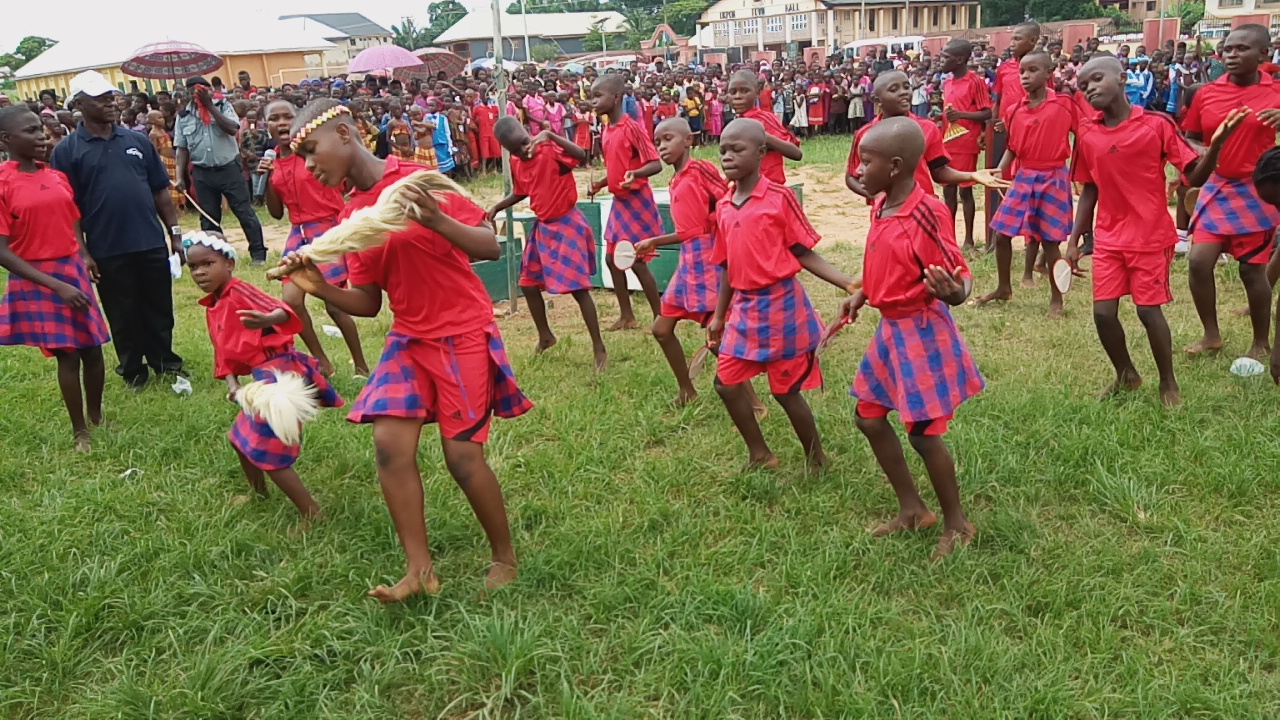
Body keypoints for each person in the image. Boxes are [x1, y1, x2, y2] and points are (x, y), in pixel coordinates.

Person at [276, 99, 531, 602]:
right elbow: (368, 303)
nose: (306, 166)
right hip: (409, 339)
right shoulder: (352, 216)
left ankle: (504, 556)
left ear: (345, 134)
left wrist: (435, 220)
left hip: (461, 332)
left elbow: (488, 246)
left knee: (463, 459)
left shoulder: (416, 181)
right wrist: (318, 286)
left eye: (310, 150)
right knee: (390, 446)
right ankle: (419, 571)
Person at [841, 116, 983, 560]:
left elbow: (959, 273)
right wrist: (864, 292)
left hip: (920, 330)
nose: (858, 170)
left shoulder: (926, 211)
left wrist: (956, 292)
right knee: (868, 416)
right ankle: (912, 509)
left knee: (922, 433)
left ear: (896, 166)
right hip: (890, 329)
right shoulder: (882, 204)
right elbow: (886, 258)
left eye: (867, 162)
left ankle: (957, 523)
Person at [1066, 56, 1240, 409]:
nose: (1090, 89)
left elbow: (1194, 174)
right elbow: (1089, 188)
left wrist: (1216, 147)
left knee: (1148, 312)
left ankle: (1168, 381)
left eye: (1097, 79)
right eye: (1083, 86)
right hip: (1109, 237)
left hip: (1149, 236)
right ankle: (1126, 374)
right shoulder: (1086, 133)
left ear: (1122, 78)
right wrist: (1073, 240)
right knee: (1103, 314)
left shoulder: (1156, 125)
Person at [709, 119, 859, 471]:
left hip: (782, 308)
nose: (728, 157)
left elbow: (803, 252)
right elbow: (727, 264)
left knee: (785, 391)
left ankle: (816, 458)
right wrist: (718, 315)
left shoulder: (779, 198)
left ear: (761, 152)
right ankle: (760, 454)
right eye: (723, 150)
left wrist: (848, 283)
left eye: (737, 149)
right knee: (726, 383)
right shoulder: (724, 206)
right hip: (744, 309)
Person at [186, 231, 341, 522]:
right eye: (193, 267)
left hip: (280, 374)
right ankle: (259, 495)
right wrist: (232, 383)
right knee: (239, 439)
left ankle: (313, 514)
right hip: (262, 377)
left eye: (207, 264)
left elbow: (284, 311)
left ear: (229, 264)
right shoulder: (214, 305)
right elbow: (221, 351)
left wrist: (269, 319)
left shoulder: (240, 291)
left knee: (267, 449)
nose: (199, 272)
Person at [52, 71, 186, 392]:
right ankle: (133, 370)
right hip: (107, 247)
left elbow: (160, 192)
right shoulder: (67, 151)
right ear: (79, 105)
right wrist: (83, 252)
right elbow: (68, 208)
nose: (110, 103)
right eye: (100, 99)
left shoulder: (136, 141)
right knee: (122, 312)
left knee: (159, 307)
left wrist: (175, 234)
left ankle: (165, 363)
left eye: (111, 97)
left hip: (149, 241)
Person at [0, 105, 110, 452]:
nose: (41, 136)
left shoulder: (56, 176)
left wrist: (83, 254)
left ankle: (97, 416)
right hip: (40, 276)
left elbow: (71, 217)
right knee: (68, 353)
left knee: (93, 347)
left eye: (41, 129)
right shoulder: (3, 183)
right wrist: (57, 286)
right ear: (6, 139)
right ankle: (80, 432)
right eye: (31, 131)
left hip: (71, 268)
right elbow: (2, 251)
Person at [1182, 25, 1280, 360]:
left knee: (1251, 270)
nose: (1231, 55)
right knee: (1198, 262)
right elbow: (1191, 136)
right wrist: (1208, 151)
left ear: (1263, 54)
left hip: (1258, 189)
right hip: (1218, 185)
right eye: (1227, 49)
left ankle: (1260, 341)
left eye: (1241, 49)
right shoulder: (1208, 93)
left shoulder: (1275, 92)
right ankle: (1211, 335)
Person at [486, 116, 608, 371]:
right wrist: (498, 206)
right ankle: (545, 335)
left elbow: (580, 156)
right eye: (516, 150)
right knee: (528, 284)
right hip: (543, 227)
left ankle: (599, 346)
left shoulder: (549, 149)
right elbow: (521, 191)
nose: (524, 150)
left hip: (567, 224)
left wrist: (550, 135)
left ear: (528, 133)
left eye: (524, 142)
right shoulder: (517, 162)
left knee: (579, 289)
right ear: (508, 151)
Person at [258, 100, 369, 378]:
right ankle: (322, 362)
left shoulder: (314, 153)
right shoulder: (273, 161)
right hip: (299, 233)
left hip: (328, 227)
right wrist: (268, 179)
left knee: (335, 305)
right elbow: (275, 213)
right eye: (274, 118)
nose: (282, 123)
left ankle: (361, 366)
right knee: (292, 300)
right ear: (266, 125)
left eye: (287, 117)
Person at [637, 118, 729, 405]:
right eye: (657, 143)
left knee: (715, 337)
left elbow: (726, 201)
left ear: (688, 140)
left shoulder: (699, 170)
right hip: (688, 262)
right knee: (661, 329)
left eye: (668, 139)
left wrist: (655, 241)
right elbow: (689, 231)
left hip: (707, 261)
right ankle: (687, 390)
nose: (662, 147)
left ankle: (753, 404)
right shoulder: (675, 179)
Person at [980, 51, 1078, 316]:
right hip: (1024, 176)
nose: (1025, 76)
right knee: (1002, 233)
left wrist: (1081, 173)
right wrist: (999, 171)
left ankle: (1056, 299)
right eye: (1022, 71)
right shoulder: (1014, 110)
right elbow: (1012, 147)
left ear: (1048, 73)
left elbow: (1084, 136)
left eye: (1033, 70)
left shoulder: (1064, 105)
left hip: (1053, 177)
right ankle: (1003, 288)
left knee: (1050, 240)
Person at [846, 71, 1007, 202]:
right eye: (894, 90)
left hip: (922, 205)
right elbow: (852, 177)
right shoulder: (866, 134)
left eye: (906, 87)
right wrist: (877, 197)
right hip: (885, 214)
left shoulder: (927, 128)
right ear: (877, 100)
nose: (903, 92)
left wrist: (971, 175)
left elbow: (939, 171)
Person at [587, 73, 664, 331]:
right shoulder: (607, 130)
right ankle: (627, 316)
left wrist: (636, 175)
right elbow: (617, 168)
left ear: (616, 98)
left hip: (637, 202)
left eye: (598, 96)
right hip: (620, 202)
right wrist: (600, 183)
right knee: (612, 260)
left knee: (637, 261)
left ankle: (660, 316)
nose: (593, 102)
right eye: (592, 96)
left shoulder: (632, 128)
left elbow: (655, 164)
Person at [174, 76, 266, 264]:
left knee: (244, 213)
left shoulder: (223, 106)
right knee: (209, 219)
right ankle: (217, 256)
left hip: (228, 169)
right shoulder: (183, 116)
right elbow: (181, 149)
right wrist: (180, 177)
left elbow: (232, 129)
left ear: (209, 90)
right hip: (202, 172)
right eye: (191, 90)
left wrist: (210, 107)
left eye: (200, 89)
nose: (196, 93)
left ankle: (258, 254)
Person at [989, 23, 1041, 253]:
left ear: (1032, 41)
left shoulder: (1040, 67)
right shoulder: (1004, 69)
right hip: (1004, 133)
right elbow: (998, 100)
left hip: (1031, 135)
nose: (1012, 44)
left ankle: (1032, 239)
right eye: (1011, 39)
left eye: (1017, 39)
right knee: (1003, 181)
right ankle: (1000, 236)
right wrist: (991, 128)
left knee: (1030, 186)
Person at [940, 39, 994, 250]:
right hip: (947, 143)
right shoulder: (947, 83)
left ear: (959, 59)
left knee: (965, 191)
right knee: (948, 191)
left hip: (966, 143)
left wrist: (961, 115)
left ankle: (969, 240)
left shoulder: (975, 82)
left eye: (945, 57)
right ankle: (949, 238)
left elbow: (987, 112)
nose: (941, 61)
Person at [726, 70, 803, 185]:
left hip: (770, 186)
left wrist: (761, 135)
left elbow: (796, 153)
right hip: (746, 186)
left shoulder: (765, 119)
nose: (738, 97)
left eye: (744, 91)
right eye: (733, 92)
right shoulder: (736, 123)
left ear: (757, 93)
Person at [146, 109, 185, 211]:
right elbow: (154, 151)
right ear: (152, 121)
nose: (162, 120)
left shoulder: (163, 131)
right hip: (164, 161)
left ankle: (179, 207)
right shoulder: (153, 134)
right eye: (159, 118)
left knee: (176, 183)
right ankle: (171, 208)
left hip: (171, 160)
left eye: (162, 117)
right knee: (169, 185)